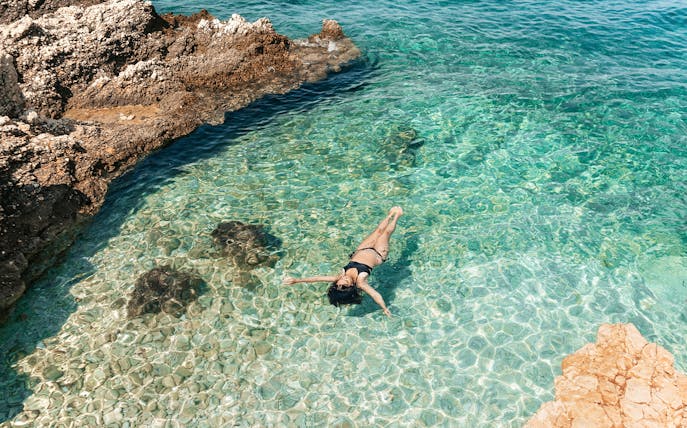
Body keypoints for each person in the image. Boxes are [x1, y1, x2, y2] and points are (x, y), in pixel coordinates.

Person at [283, 206, 403, 317]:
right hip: (378, 253)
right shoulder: (360, 282)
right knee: (386, 233)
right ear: (351, 287)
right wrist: (384, 308)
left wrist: (296, 280)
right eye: (343, 286)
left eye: (338, 285)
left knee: (379, 230)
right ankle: (397, 215)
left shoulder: (339, 277)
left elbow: (316, 278)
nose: (341, 282)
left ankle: (389, 215)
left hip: (361, 249)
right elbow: (375, 294)